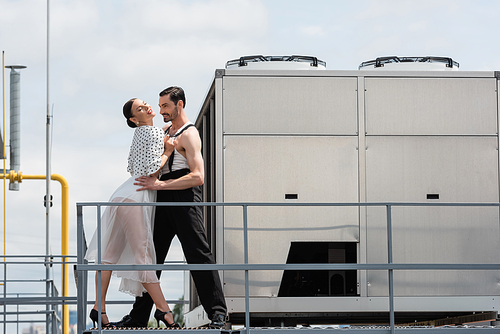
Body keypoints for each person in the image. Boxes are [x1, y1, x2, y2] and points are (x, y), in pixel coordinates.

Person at [112, 87, 227, 328]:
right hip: (161, 200)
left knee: (198, 254)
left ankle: (218, 313)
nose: (161, 110)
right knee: (151, 258)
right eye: (160, 105)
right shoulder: (163, 131)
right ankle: (138, 316)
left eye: (165, 106)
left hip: (184, 198)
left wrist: (161, 185)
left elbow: (198, 177)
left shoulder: (189, 134)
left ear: (179, 105)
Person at [85, 98, 180, 328]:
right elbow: (150, 170)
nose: (147, 107)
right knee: (143, 257)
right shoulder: (155, 133)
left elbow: (131, 166)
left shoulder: (138, 134)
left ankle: (99, 308)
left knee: (108, 257)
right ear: (133, 119)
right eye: (140, 108)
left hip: (121, 195)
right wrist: (167, 151)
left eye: (145, 104)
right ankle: (164, 311)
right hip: (135, 198)